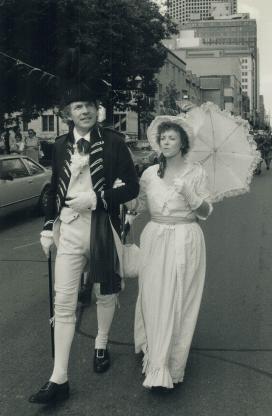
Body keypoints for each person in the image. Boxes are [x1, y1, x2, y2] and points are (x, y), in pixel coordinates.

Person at [28, 83, 139, 404]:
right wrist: (48, 226)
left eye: (89, 105)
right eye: (78, 107)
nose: (85, 111)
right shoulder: (60, 145)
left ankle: (101, 343)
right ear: (68, 114)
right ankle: (58, 377)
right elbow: (53, 189)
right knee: (63, 301)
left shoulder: (114, 143)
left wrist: (96, 198)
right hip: (70, 229)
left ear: (97, 109)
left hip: (103, 225)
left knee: (104, 292)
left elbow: (130, 187)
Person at [128, 116, 213, 389]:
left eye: (172, 138)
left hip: (186, 238)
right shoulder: (149, 174)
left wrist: (190, 194)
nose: (166, 142)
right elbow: (138, 206)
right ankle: (153, 349)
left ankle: (168, 361)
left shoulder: (196, 173)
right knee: (153, 295)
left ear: (182, 143)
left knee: (179, 298)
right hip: (154, 237)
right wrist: (125, 201)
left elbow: (206, 212)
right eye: (163, 138)